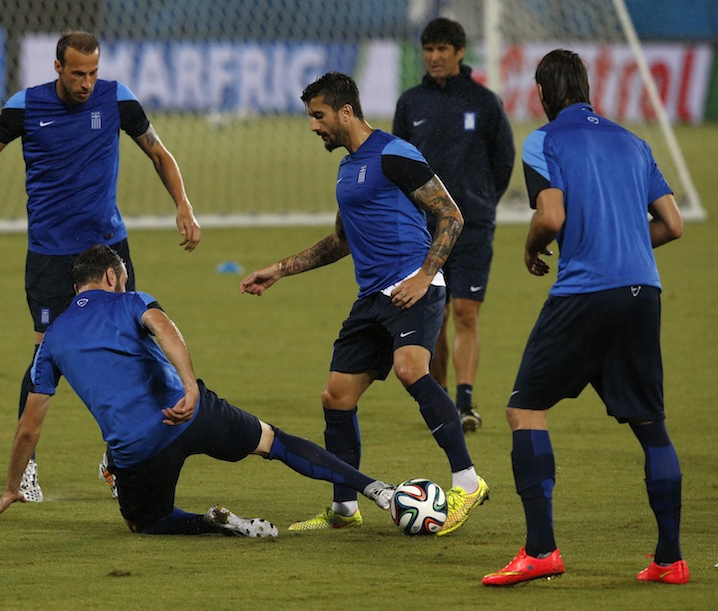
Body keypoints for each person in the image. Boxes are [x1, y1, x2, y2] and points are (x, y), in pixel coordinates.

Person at [0, 31, 201, 502]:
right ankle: (27, 471)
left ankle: (120, 456)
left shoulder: (117, 99)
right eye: (78, 73)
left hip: (108, 253)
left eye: (93, 72)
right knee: (46, 356)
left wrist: (183, 205)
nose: (86, 83)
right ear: (58, 68)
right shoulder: (25, 106)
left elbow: (159, 153)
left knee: (134, 348)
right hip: (51, 255)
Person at [0, 245, 397, 536]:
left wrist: (11, 486)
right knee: (275, 441)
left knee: (144, 522)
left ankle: (218, 524)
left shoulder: (51, 340)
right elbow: (165, 329)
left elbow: (28, 428)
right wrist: (190, 389)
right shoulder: (131, 302)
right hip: (193, 413)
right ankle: (376, 490)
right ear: (111, 276)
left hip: (137, 451)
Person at [240, 72, 488, 534]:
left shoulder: (395, 154)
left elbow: (451, 215)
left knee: (412, 368)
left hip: (413, 288)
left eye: (319, 116)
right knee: (336, 397)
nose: (314, 126)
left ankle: (467, 482)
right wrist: (280, 269)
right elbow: (340, 242)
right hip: (371, 299)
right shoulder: (346, 169)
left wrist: (425, 275)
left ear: (346, 111)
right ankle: (344, 510)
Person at [482, 49, 687, 586]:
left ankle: (542, 550)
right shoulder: (633, 141)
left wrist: (531, 248)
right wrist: (624, 245)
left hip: (585, 292)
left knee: (525, 409)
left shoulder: (544, 139)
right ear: (589, 88)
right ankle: (670, 560)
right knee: (651, 427)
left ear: (544, 95)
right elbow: (672, 224)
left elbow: (551, 216)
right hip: (644, 291)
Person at [393, 17, 515, 432]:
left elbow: (503, 162)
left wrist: (479, 203)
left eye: (442, 49)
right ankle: (441, 400)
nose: (434, 57)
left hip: (474, 226)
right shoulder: (410, 103)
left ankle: (465, 401)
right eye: (428, 50)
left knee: (466, 312)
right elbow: (396, 163)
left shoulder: (484, 101)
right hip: (423, 229)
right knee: (437, 316)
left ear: (460, 52)